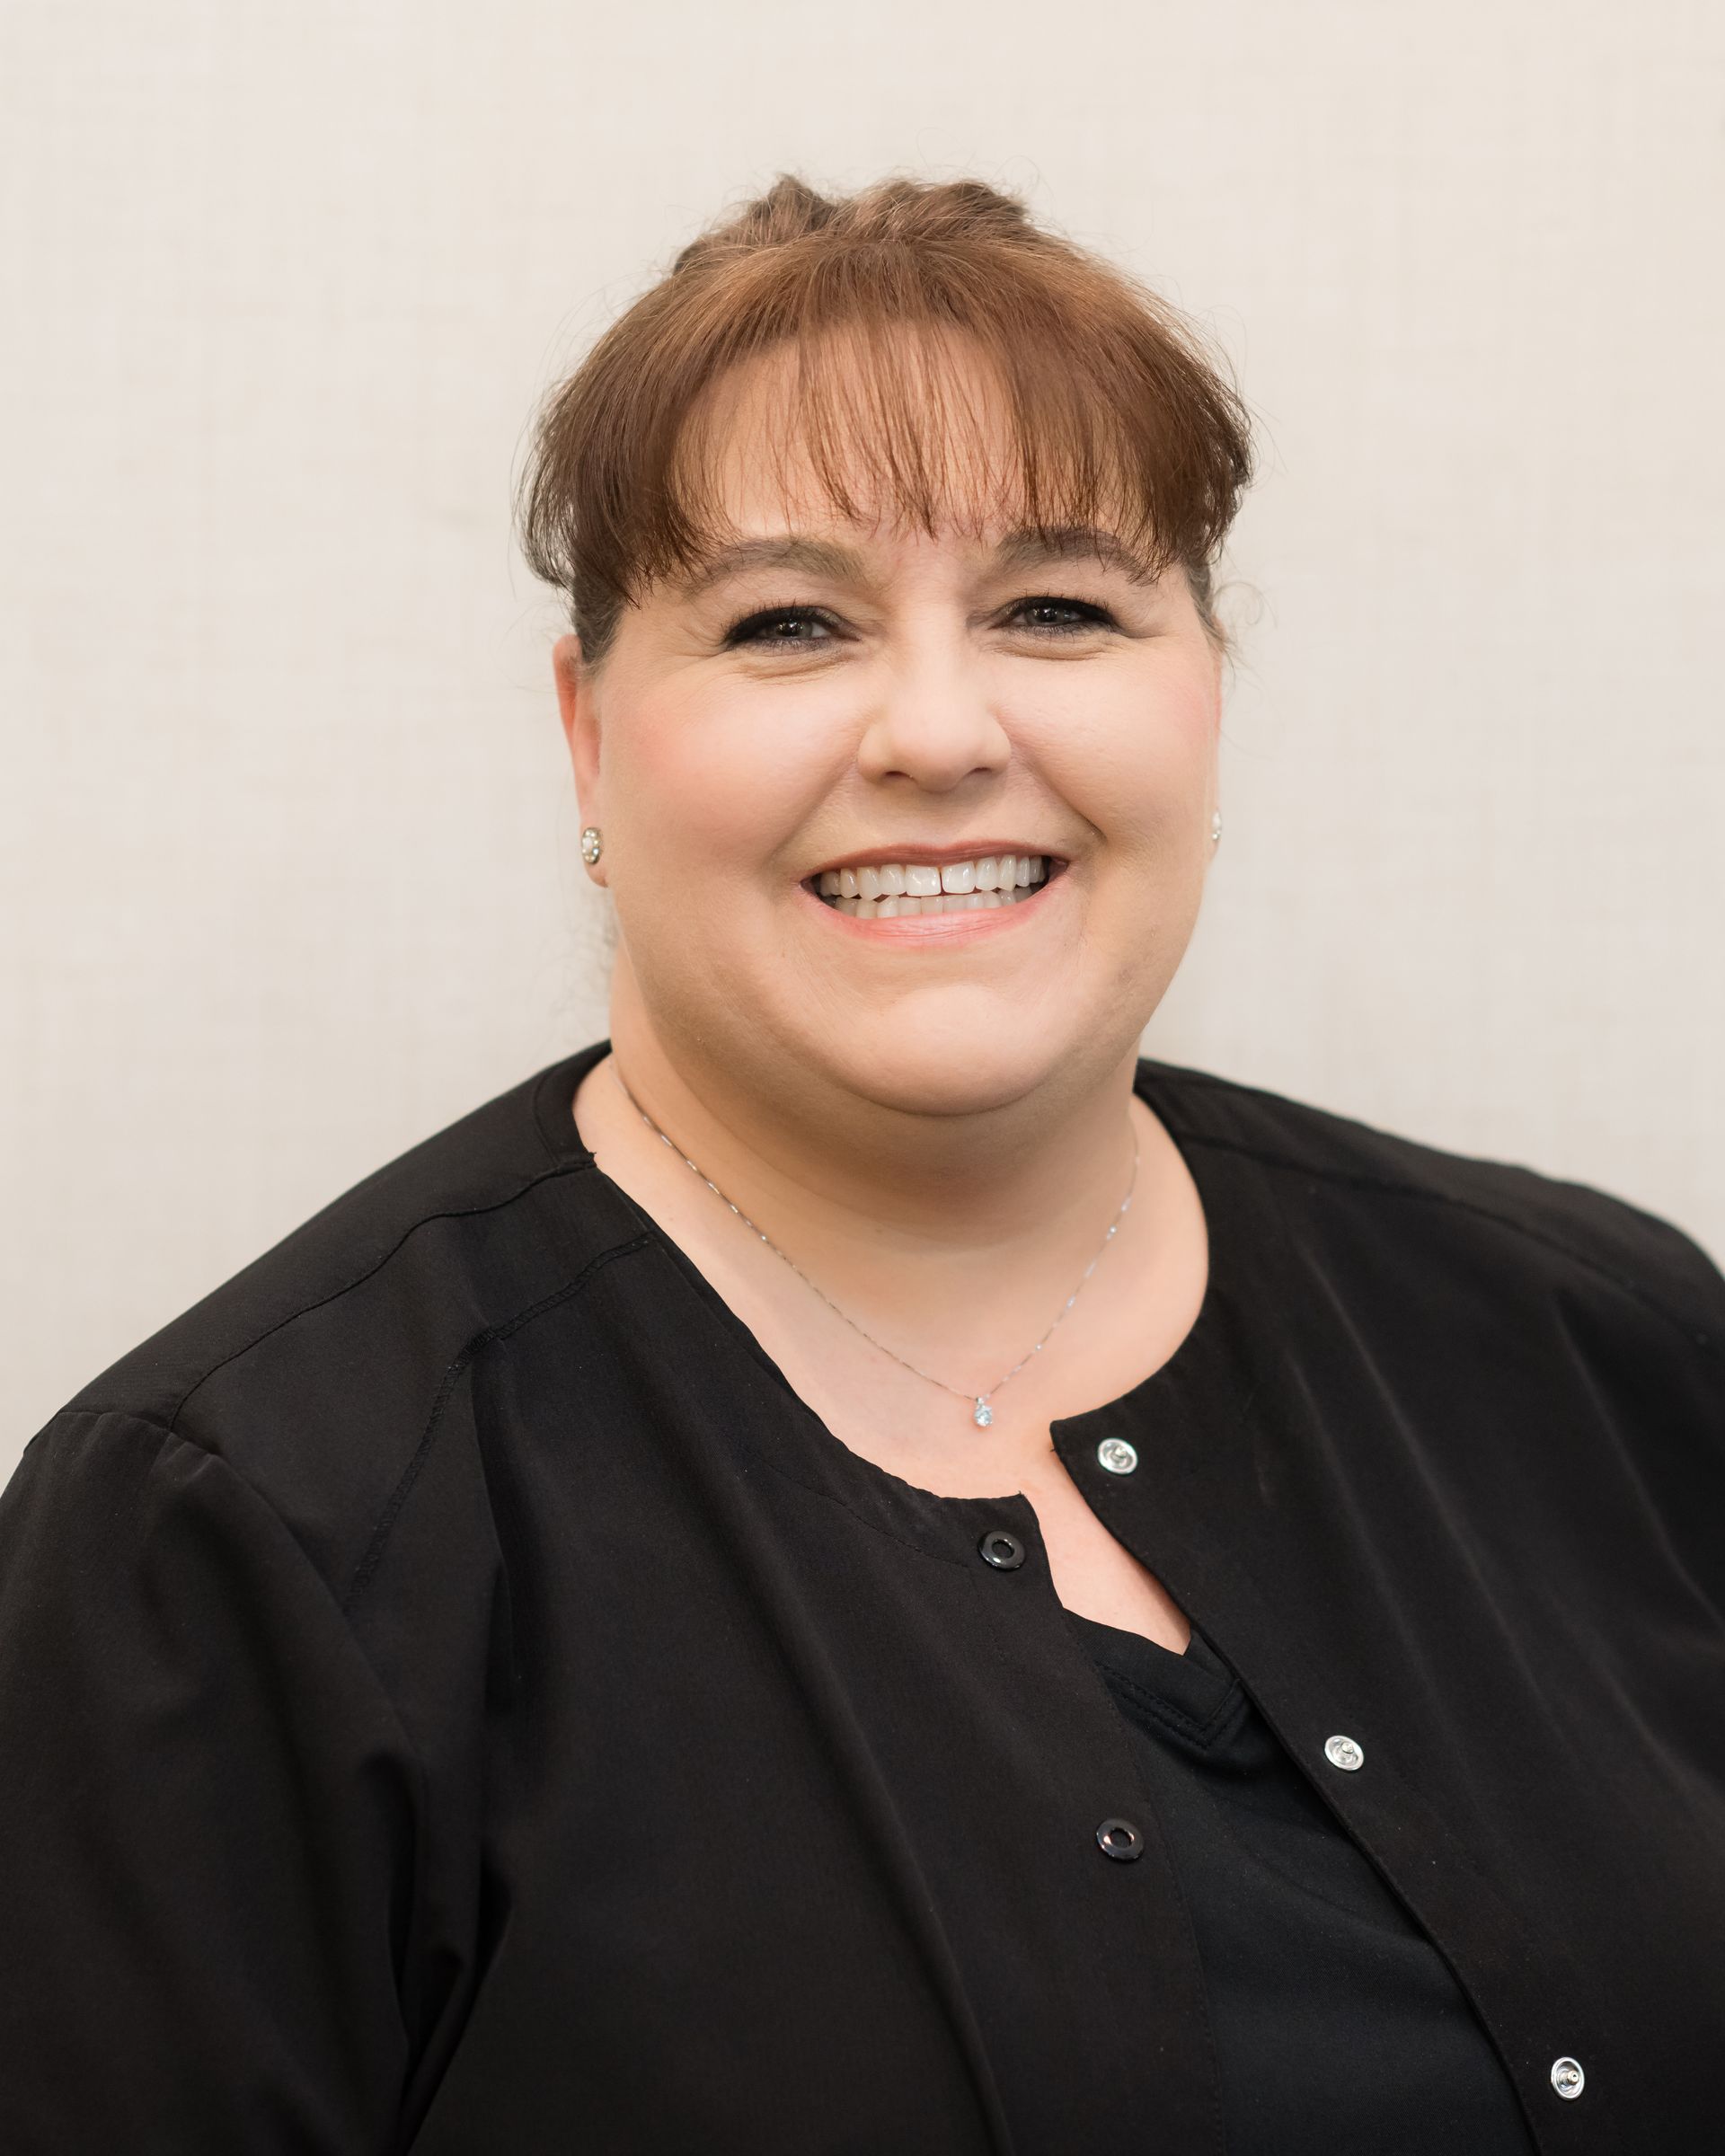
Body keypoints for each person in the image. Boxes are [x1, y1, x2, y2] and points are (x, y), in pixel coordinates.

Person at [2, 172, 1721, 2156]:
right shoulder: (244, 1534)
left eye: (1059, 608)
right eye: (790, 623)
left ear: (1208, 693)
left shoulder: (1605, 1347)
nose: (934, 729)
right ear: (586, 735)